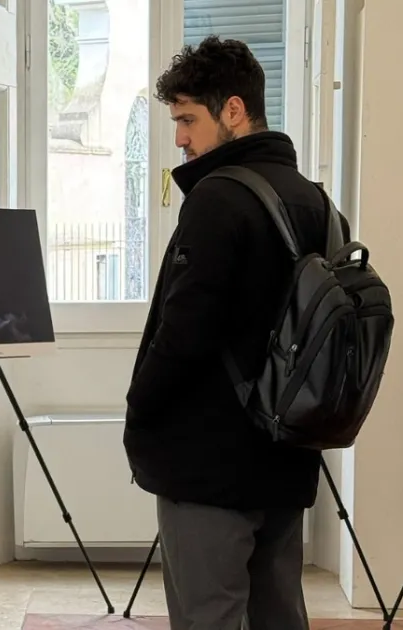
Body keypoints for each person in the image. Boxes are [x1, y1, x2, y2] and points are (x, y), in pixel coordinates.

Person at [122, 36, 350, 630]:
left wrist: (138, 409)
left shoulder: (218, 199)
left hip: (207, 465)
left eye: (187, 118)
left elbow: (184, 334)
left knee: (209, 618)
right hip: (287, 454)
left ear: (233, 111)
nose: (179, 138)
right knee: (279, 615)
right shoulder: (319, 204)